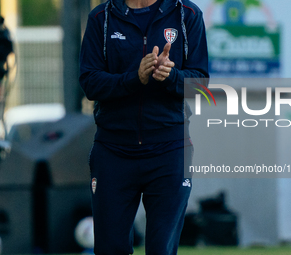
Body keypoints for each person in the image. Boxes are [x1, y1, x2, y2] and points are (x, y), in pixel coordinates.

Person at [79, 0, 209, 254]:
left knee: (161, 249)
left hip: (170, 150)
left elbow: (200, 86)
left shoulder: (187, 14)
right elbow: (89, 82)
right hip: (113, 151)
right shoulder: (101, 18)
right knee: (110, 248)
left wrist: (171, 77)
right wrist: (134, 78)